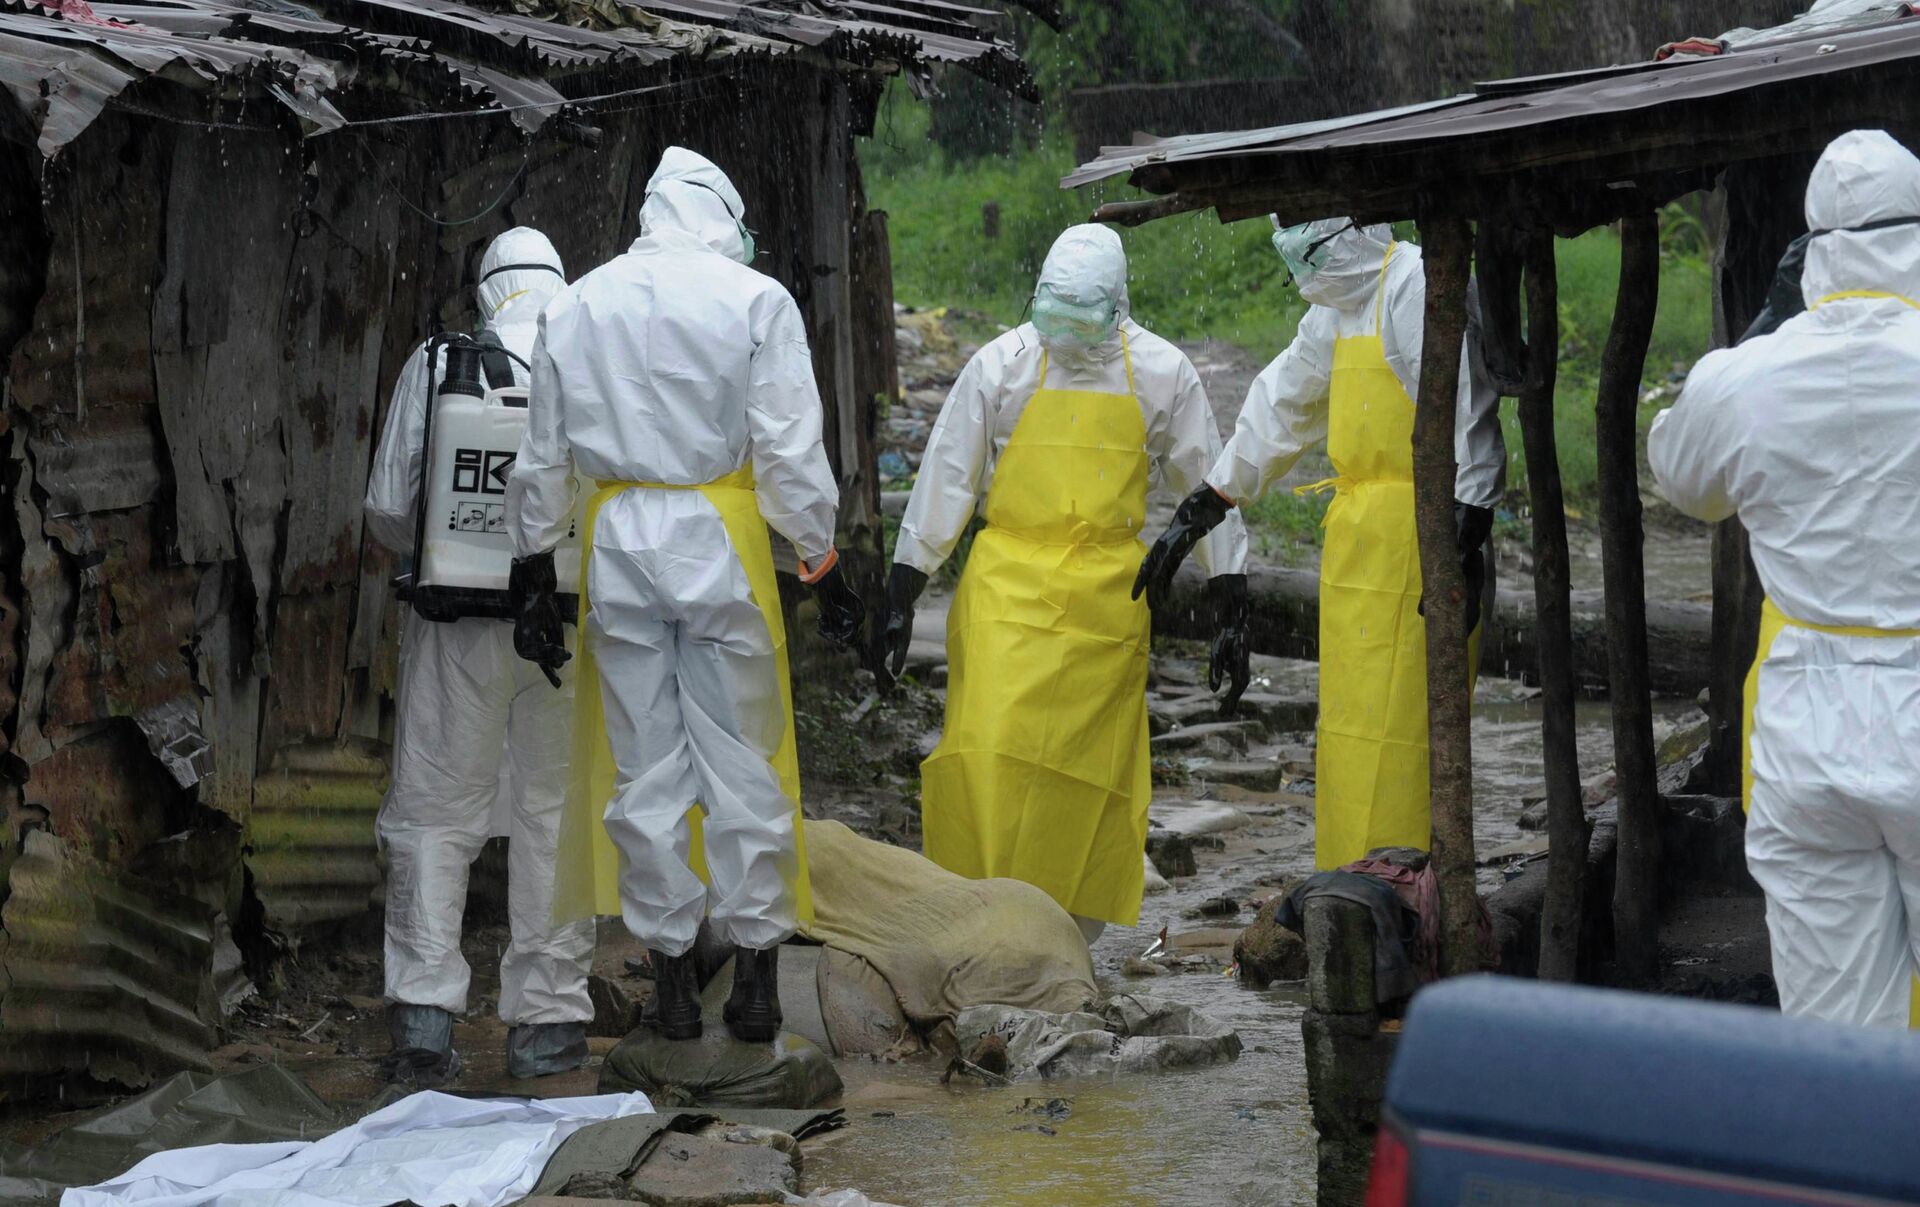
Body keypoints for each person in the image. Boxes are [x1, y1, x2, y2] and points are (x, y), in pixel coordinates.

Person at [506, 147, 866, 1044]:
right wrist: (821, 557)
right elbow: (787, 448)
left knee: (645, 766)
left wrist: (532, 563)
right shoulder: (756, 301)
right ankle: (756, 984)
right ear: (724, 220)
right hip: (718, 537)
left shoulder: (576, 303)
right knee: (742, 759)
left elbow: (543, 454)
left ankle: (670, 987)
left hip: (617, 540)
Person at [878, 224, 1251, 946]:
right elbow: (947, 475)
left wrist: (1229, 591)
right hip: (1006, 589)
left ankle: (1066, 942)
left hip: (1107, 599)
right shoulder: (1001, 364)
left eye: (1085, 320)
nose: (1068, 334)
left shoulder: (1165, 372)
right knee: (989, 754)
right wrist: (904, 584)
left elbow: (1208, 483)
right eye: (1056, 317)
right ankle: (983, 926)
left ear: (1118, 306)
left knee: (1083, 776)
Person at [1649, 128, 1920, 1028]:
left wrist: (1759, 334)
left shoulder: (1748, 378)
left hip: (1807, 736)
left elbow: (1679, 473)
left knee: (1838, 1041)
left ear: (1810, 250)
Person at [1137, 218, 1505, 872]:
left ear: (1347, 230)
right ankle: (1347, 884)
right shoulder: (1337, 308)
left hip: (1425, 533)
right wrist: (1209, 502)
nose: (1302, 273)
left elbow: (1465, 406)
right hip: (1355, 549)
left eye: (1308, 253)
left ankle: (1414, 890)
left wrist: (1466, 531)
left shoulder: (1414, 283)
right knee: (1350, 733)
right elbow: (1283, 401)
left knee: (1409, 731)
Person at [364, 226, 594, 1085]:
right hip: (566, 624)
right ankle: (547, 1026)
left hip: (455, 625)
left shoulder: (438, 362)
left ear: (487, 292)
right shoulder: (593, 360)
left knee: (435, 811)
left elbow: (389, 507)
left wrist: (452, 541)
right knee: (554, 815)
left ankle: (424, 1024)